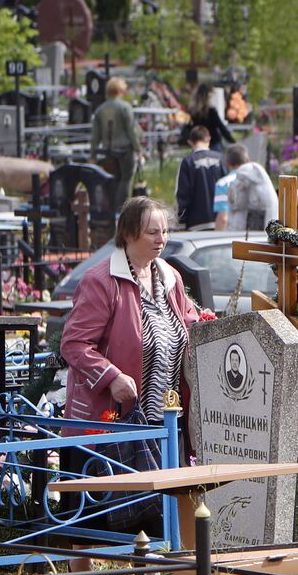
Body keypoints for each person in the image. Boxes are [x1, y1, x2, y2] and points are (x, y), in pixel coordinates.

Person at [61, 197, 208, 459]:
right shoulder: (101, 281)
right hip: (114, 424)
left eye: (164, 231)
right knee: (124, 499)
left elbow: (189, 325)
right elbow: (74, 344)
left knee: (164, 498)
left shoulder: (170, 277)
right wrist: (111, 376)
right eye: (152, 232)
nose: (161, 239)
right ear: (128, 234)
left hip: (169, 419)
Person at [90, 77, 142, 212]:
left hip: (108, 150)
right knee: (126, 180)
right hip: (125, 149)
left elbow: (95, 136)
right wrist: (138, 148)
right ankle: (123, 210)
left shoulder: (100, 109)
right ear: (120, 90)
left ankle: (110, 209)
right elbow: (131, 130)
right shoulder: (125, 107)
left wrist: (93, 154)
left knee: (112, 180)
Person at [175, 126, 228, 229]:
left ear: (190, 142)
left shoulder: (187, 162)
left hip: (196, 223)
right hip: (220, 221)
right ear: (208, 139)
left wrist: (182, 220)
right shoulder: (221, 159)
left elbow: (183, 194)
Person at [223, 143, 278, 232]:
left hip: (245, 233)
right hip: (269, 228)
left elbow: (235, 203)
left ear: (227, 163)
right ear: (248, 159)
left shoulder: (240, 177)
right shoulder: (262, 177)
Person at [180, 81, 235, 151]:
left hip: (198, 143)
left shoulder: (190, 110)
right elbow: (221, 127)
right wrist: (232, 140)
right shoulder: (211, 111)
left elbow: (185, 126)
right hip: (213, 142)